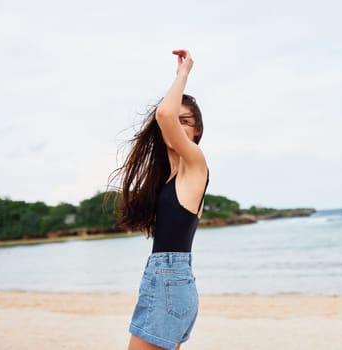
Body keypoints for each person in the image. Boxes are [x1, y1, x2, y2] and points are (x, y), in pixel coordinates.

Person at [108, 49, 208, 350]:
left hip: (169, 280)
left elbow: (164, 114)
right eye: (175, 121)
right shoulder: (168, 177)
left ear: (197, 130)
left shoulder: (195, 163)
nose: (176, 125)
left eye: (185, 121)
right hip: (166, 279)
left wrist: (183, 73)